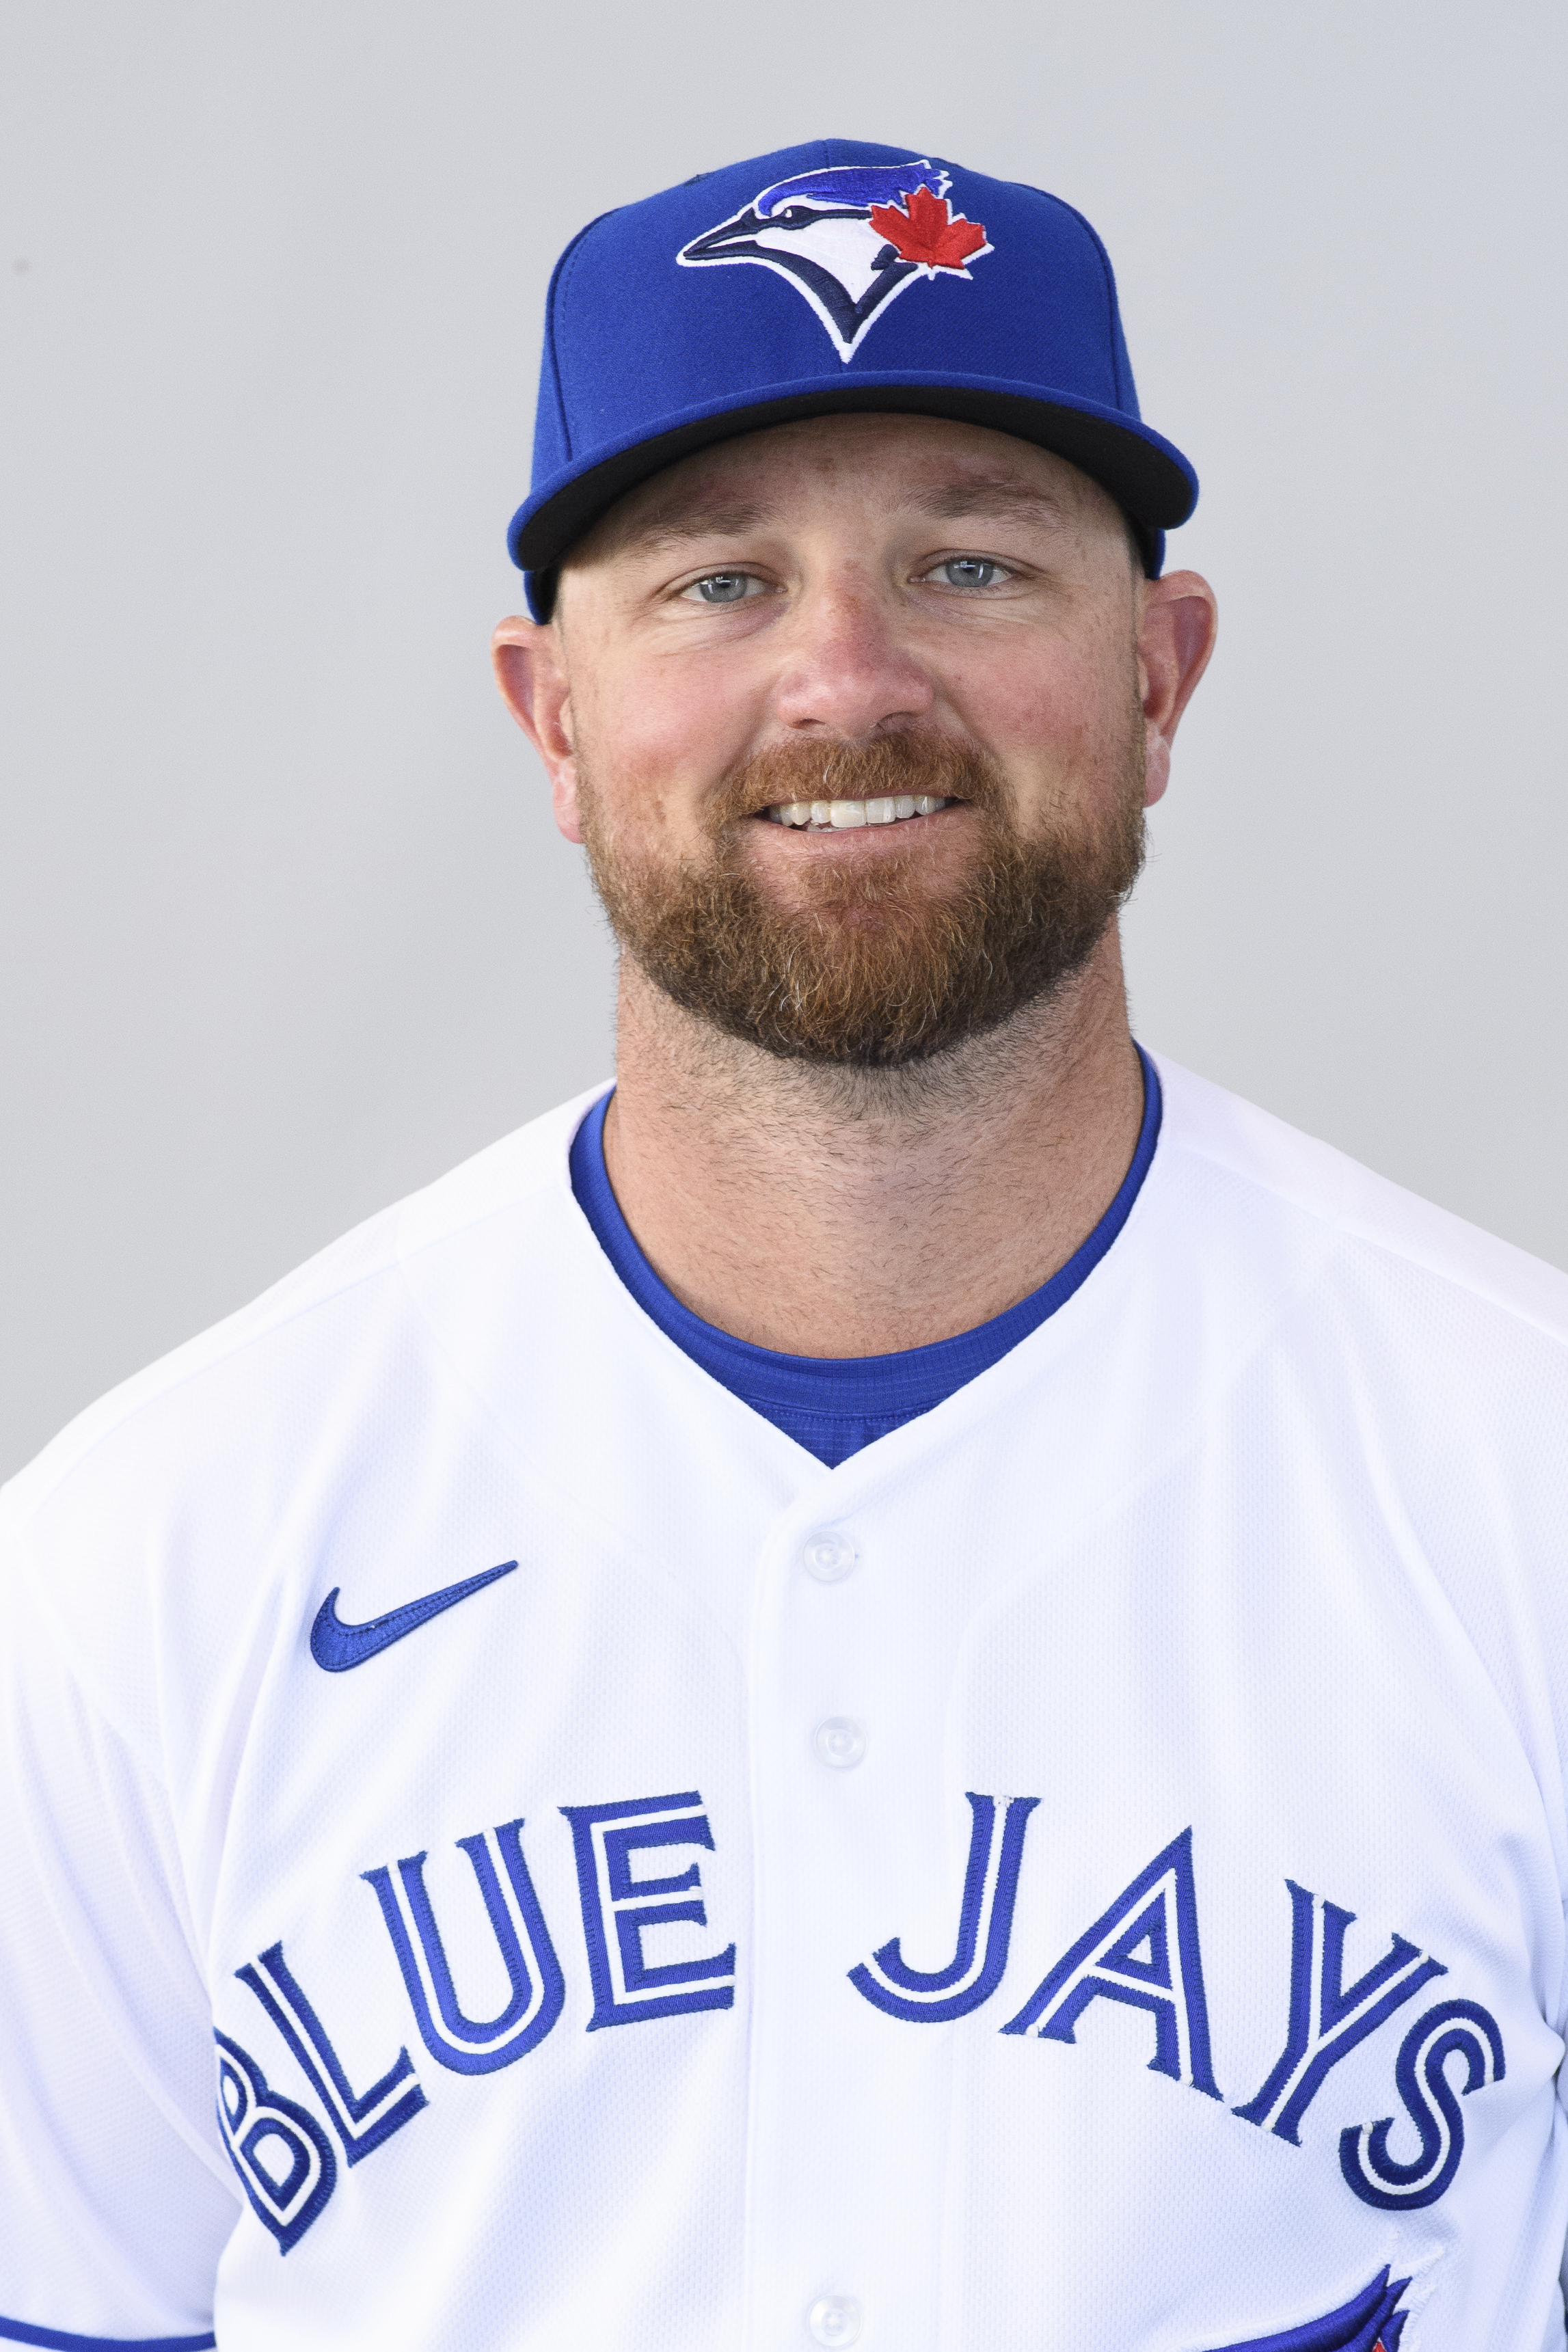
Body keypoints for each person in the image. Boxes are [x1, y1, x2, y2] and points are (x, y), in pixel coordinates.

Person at [0, 137, 1563, 2352]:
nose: (847, 679)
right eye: (719, 582)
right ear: (557, 719)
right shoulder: (147, 1560)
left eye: (972, 563)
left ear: (1161, 676)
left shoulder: (1523, 1480)